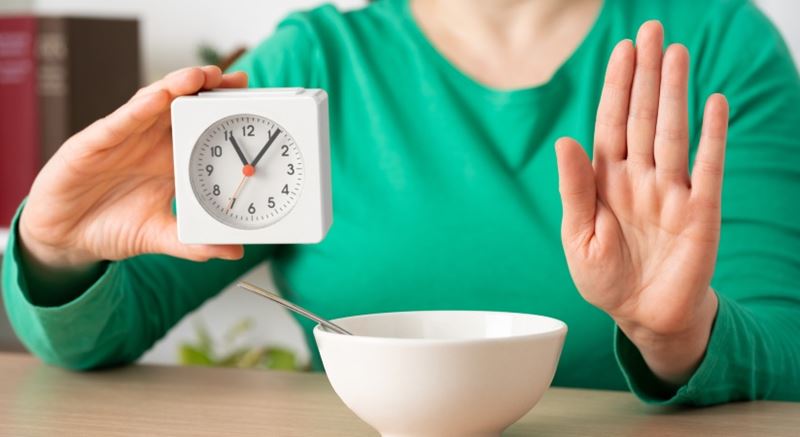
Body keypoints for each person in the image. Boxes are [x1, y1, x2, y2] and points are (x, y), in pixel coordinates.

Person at [2, 0, 799, 406]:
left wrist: (679, 333)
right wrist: (57, 246)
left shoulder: (720, 43)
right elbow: (92, 340)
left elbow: (786, 357)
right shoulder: (313, 61)